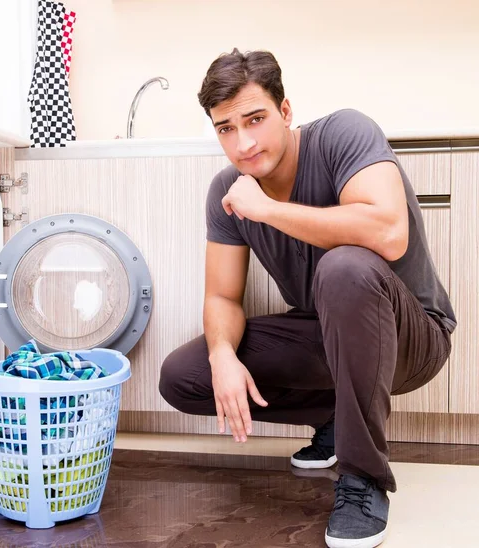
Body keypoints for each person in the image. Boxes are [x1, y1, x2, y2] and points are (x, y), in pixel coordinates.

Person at [158, 48, 455, 548]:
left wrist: (268, 211)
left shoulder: (343, 134)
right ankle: (335, 419)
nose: (244, 143)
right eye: (226, 128)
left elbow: (387, 232)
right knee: (185, 376)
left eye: (255, 119)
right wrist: (222, 354)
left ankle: (363, 477)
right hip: (328, 334)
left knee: (346, 264)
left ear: (286, 111)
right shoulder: (229, 192)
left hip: (413, 339)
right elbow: (223, 297)